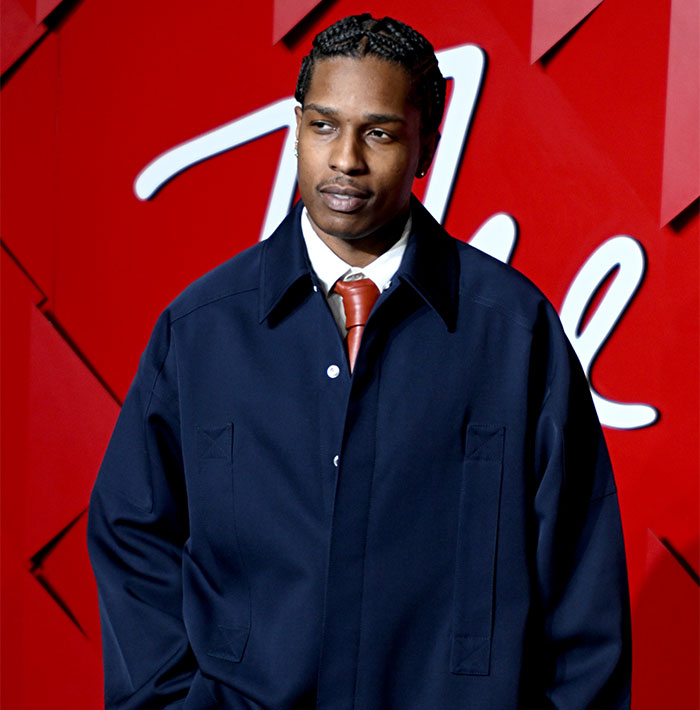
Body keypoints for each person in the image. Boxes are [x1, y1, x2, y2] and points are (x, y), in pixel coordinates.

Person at [87, 14, 632, 710]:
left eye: (378, 132)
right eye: (322, 126)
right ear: (295, 128)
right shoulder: (200, 332)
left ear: (427, 145)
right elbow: (132, 533)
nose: (345, 158)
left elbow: (583, 581)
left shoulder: (513, 333)